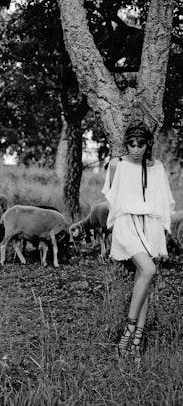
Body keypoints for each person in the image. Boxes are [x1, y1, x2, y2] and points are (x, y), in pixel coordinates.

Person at [102, 122, 175, 361]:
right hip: (126, 224)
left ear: (148, 144)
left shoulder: (157, 167)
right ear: (125, 144)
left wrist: (159, 230)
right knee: (149, 269)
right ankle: (130, 329)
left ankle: (136, 343)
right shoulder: (117, 164)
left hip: (149, 225)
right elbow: (112, 198)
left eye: (140, 144)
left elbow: (164, 202)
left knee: (142, 278)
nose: (135, 149)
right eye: (131, 144)